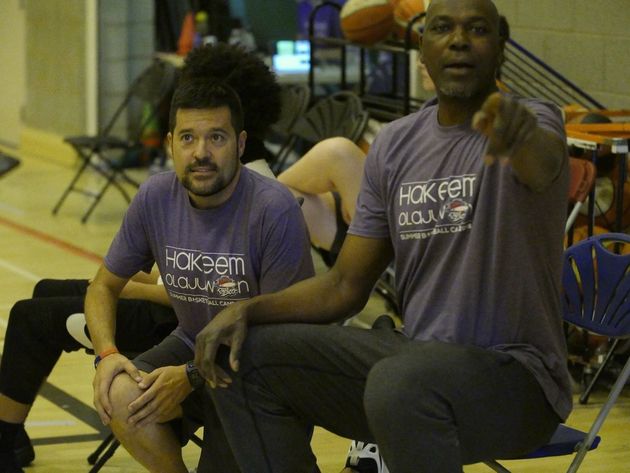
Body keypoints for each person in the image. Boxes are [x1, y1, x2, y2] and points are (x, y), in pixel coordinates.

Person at [193, 1, 572, 472]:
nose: (458, 40)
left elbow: (546, 163)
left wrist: (520, 138)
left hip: (517, 379)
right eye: (442, 28)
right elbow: (343, 287)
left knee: (403, 382)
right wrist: (245, 309)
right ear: (423, 49)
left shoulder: (535, 119)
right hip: (417, 358)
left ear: (499, 49)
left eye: (477, 29)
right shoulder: (395, 144)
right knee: (244, 355)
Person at [84, 79, 313, 473]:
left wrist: (191, 376)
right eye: (188, 138)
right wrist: (107, 354)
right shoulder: (155, 197)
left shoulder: (274, 209)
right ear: (171, 143)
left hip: (262, 369)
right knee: (119, 390)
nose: (201, 153)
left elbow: (281, 338)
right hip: (192, 345)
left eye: (217, 138)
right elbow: (103, 286)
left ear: (241, 145)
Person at [0, 274, 176, 473]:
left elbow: (202, 296)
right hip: (167, 301)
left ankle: (4, 444)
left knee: (29, 318)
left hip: (173, 321)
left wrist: (130, 289)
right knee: (46, 290)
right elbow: (173, 278)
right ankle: (14, 438)